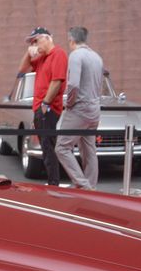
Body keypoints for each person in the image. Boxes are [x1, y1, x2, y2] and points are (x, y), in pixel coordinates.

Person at [55, 27, 104, 190]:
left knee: (62, 147)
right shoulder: (97, 57)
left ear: (71, 40)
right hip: (94, 110)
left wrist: (69, 103)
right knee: (89, 149)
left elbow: (74, 84)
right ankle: (91, 187)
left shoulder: (76, 55)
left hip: (79, 109)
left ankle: (83, 185)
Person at [26, 27, 67, 186]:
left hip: (48, 108)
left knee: (48, 147)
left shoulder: (58, 54)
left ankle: (53, 183)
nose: (35, 45)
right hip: (40, 108)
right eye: (32, 42)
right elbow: (23, 69)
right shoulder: (42, 58)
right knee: (46, 147)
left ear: (48, 38)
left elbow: (57, 81)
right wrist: (29, 52)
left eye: (36, 41)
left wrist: (45, 103)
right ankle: (53, 181)